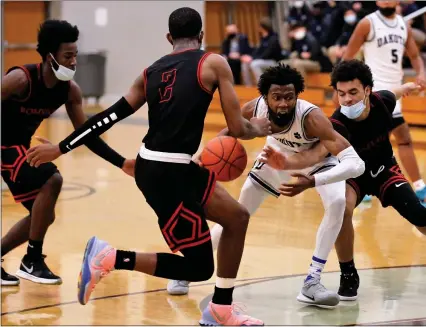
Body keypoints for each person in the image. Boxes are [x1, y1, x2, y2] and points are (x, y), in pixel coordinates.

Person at [26, 7, 271, 326]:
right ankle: (111, 257)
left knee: (237, 218)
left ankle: (221, 308)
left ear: (169, 38)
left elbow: (108, 117)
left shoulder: (150, 72)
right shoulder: (212, 62)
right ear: (201, 37)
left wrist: (62, 147)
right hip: (168, 174)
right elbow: (238, 128)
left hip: (163, 165)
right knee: (199, 268)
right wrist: (260, 128)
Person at [167, 63, 366, 308]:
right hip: (275, 158)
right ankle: (188, 267)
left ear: (297, 96)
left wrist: (313, 180)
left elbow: (357, 165)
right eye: (277, 97)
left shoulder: (312, 118)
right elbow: (229, 132)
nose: (283, 103)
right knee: (237, 214)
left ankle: (312, 281)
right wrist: (200, 159)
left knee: (337, 204)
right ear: (265, 97)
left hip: (318, 163)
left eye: (289, 97)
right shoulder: (255, 108)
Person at [261, 60, 426, 301]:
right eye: (341, 93)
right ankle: (348, 273)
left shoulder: (384, 101)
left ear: (367, 90)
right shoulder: (336, 123)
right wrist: (286, 163)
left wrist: (410, 85)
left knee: (419, 216)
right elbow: (314, 153)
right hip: (353, 176)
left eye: (353, 92)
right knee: (342, 209)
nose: (346, 99)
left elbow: (397, 91)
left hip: (384, 170)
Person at [1, 20, 134, 286]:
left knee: (44, 216)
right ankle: (32, 259)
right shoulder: (20, 79)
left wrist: (122, 163)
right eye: (68, 56)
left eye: (76, 55)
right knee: (53, 178)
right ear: (50, 57)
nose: (74, 62)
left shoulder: (70, 91)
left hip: (18, 147)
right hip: (4, 146)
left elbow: (87, 134)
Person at [342, 0, 426, 203]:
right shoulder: (367, 23)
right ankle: (419, 187)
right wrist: (344, 86)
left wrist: (421, 73)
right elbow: (348, 56)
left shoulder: (403, 25)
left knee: (382, 141)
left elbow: (414, 55)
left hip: (398, 90)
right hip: (376, 90)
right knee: (399, 136)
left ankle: (416, 187)